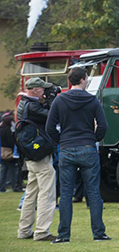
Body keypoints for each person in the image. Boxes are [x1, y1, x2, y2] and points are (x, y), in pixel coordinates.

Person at [46, 67, 110, 243]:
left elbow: (49, 128)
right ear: (82, 79)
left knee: (66, 194)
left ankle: (63, 235)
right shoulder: (92, 100)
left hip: (67, 148)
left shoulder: (59, 101)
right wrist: (93, 138)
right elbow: (103, 126)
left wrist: (61, 141)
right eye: (87, 78)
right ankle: (99, 233)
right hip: (88, 147)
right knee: (94, 193)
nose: (88, 80)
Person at [16, 77, 57, 241]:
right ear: (34, 90)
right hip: (40, 155)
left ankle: (24, 230)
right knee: (46, 193)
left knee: (30, 193)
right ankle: (42, 231)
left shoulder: (23, 103)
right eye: (42, 89)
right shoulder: (33, 106)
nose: (44, 92)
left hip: (31, 154)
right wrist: (53, 100)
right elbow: (52, 117)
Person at [0, 112, 20, 192]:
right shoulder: (9, 130)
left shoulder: (1, 129)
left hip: (2, 151)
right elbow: (11, 141)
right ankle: (14, 186)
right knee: (13, 170)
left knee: (3, 170)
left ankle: (1, 186)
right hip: (10, 152)